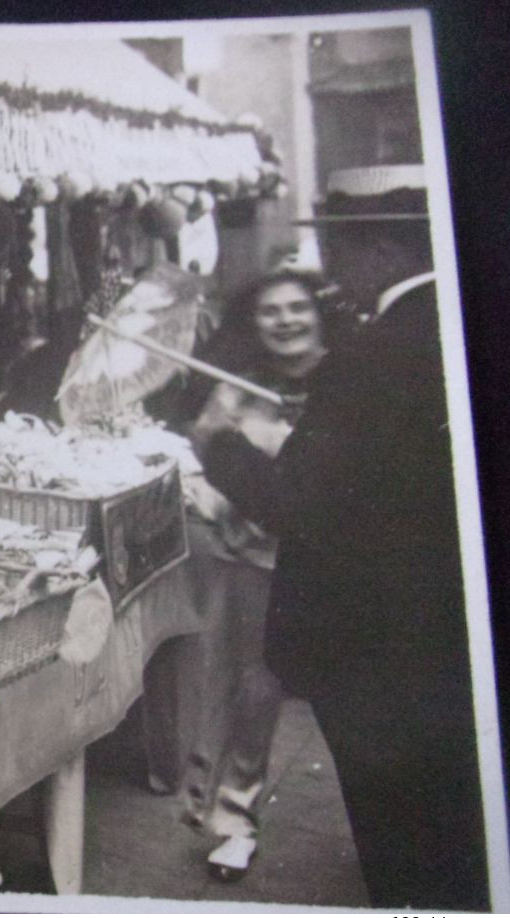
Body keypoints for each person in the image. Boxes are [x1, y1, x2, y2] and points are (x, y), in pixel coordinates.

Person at [199, 166, 488, 910]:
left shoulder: (369, 357)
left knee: (406, 842)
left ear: (385, 255)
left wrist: (219, 446)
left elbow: (294, 503)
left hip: (377, 645)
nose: (334, 278)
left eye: (344, 255)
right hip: (446, 628)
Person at [176, 268, 341, 879]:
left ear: (318, 313)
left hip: (329, 561)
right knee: (245, 690)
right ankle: (230, 818)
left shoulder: (347, 381)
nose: (286, 321)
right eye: (270, 311)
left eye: (297, 307)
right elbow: (208, 449)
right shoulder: (239, 387)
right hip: (250, 559)